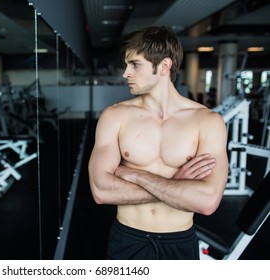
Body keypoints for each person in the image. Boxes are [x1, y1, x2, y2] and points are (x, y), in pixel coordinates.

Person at [88, 26, 228, 260]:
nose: (125, 73)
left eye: (135, 64)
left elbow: (207, 201)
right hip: (128, 239)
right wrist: (177, 184)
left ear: (164, 66)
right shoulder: (114, 116)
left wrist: (135, 175)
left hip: (179, 241)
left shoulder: (208, 121)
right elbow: (101, 191)